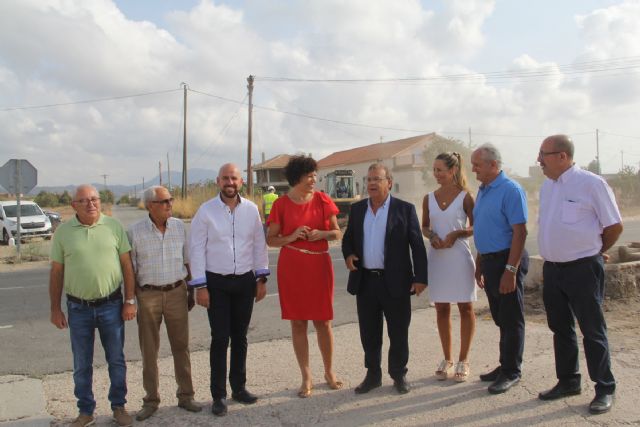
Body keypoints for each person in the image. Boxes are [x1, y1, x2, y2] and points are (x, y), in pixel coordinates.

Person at [536, 135, 622, 414]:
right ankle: (569, 381)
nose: (539, 160)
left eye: (543, 154)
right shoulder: (547, 186)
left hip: (582, 269)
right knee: (560, 328)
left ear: (562, 156)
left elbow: (614, 226)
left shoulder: (591, 184)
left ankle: (605, 387)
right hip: (553, 270)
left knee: (592, 329)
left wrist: (595, 250)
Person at [49, 185, 136, 427]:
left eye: (94, 199)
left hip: (111, 305)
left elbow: (127, 266)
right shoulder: (63, 233)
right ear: (73, 205)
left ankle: (119, 406)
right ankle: (85, 411)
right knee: (81, 363)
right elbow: (56, 273)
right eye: (84, 200)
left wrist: (129, 300)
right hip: (78, 309)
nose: (91, 204)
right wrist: (55, 309)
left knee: (116, 359)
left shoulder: (114, 227)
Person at [189, 163, 269, 417]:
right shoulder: (206, 211)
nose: (230, 182)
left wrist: (261, 278)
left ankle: (239, 388)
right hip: (217, 284)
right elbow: (196, 249)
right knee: (220, 338)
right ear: (218, 181)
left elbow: (259, 244)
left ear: (241, 182)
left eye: (234, 178)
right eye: (225, 178)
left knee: (240, 337)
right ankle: (218, 395)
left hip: (245, 281)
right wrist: (200, 286)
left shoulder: (251, 210)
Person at [342, 163, 428, 395]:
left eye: (377, 179)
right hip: (366, 281)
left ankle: (399, 374)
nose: (371, 183)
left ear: (389, 182)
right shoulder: (358, 209)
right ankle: (373, 375)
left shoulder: (404, 209)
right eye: (369, 179)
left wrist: (420, 277)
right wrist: (348, 254)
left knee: (398, 331)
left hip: (396, 282)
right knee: (369, 332)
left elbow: (417, 246)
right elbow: (348, 239)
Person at [266, 155, 343, 398]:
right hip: (292, 268)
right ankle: (306, 376)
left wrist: (321, 233)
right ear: (297, 177)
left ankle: (329, 371)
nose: (314, 180)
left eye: (314, 175)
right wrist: (292, 236)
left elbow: (337, 233)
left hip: (319, 266)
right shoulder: (280, 205)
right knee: (298, 322)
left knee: (323, 321)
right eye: (309, 176)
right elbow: (271, 240)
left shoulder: (323, 200)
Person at [127, 186, 201, 421]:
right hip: (148, 295)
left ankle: (186, 396)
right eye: (164, 201)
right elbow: (130, 269)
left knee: (181, 347)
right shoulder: (135, 232)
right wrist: (132, 299)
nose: (170, 204)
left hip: (177, 292)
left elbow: (187, 261)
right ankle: (151, 400)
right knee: (149, 350)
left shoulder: (179, 227)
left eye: (171, 200)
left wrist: (191, 289)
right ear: (150, 205)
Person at [470, 144, 529, 395]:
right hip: (490, 261)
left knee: (511, 318)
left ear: (493, 165)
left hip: (507, 260)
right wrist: (480, 263)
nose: (473, 170)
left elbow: (520, 232)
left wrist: (510, 270)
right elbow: (485, 228)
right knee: (500, 317)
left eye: (477, 165)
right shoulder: (484, 190)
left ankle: (512, 371)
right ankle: (505, 364)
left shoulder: (511, 190)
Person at [421, 152, 476, 382]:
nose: (436, 174)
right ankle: (447, 358)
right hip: (438, 258)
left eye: (440, 170)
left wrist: (457, 233)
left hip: (459, 257)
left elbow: (476, 226)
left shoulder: (466, 196)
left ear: (453, 170)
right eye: (434, 170)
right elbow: (424, 226)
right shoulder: (428, 198)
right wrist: (432, 236)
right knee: (441, 308)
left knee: (465, 307)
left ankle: (464, 360)